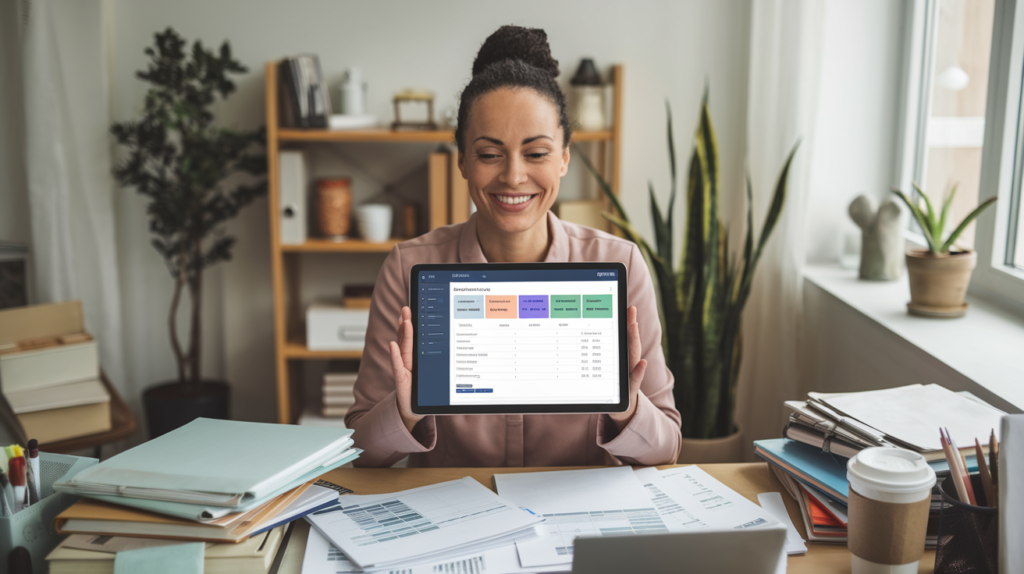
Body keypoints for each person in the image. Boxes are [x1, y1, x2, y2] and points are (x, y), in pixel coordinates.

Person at [345, 25, 681, 467]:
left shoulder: (619, 263)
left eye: (537, 153)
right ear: (462, 159)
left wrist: (628, 409)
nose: (513, 176)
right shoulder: (409, 267)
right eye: (489, 154)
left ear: (564, 157)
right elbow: (361, 452)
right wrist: (404, 414)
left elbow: (668, 450)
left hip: (577, 523)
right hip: (457, 518)